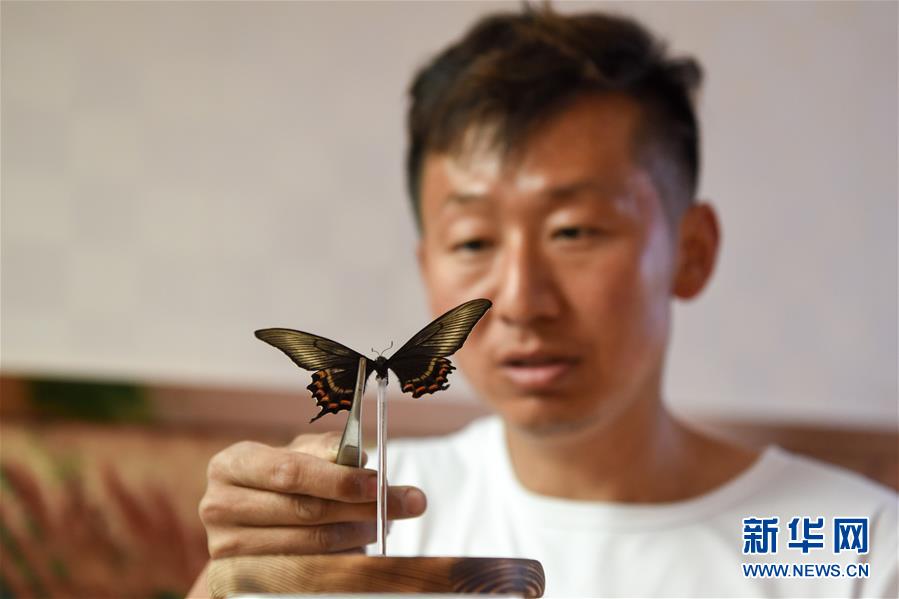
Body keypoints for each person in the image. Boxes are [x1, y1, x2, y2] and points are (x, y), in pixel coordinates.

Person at [188, 7, 897, 597]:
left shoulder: (852, 547)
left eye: (574, 231)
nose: (521, 302)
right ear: (428, 270)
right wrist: (231, 583)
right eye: (473, 241)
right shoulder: (363, 517)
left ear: (691, 251)